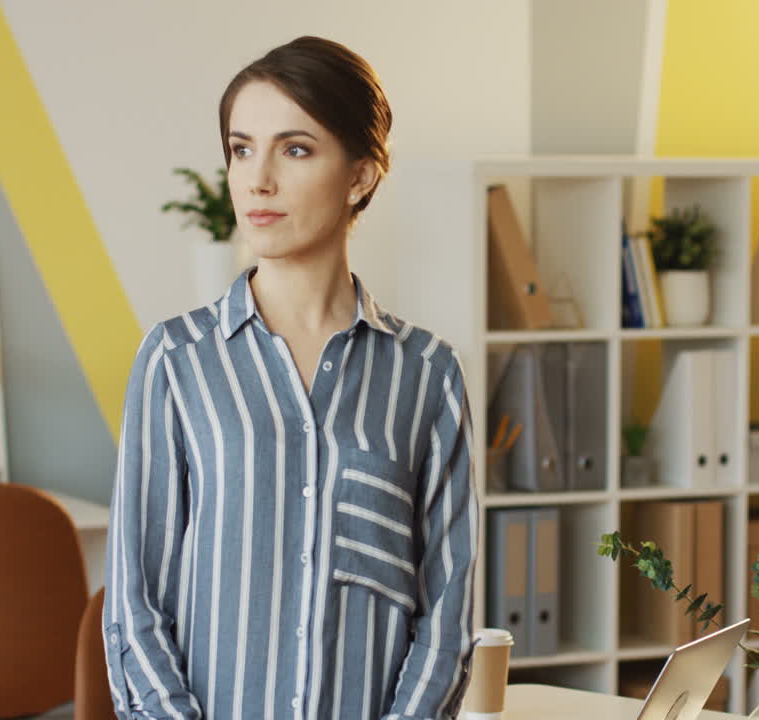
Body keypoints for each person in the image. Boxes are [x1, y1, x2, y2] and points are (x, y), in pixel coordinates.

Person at [102, 35, 478, 720]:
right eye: (242, 149)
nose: (257, 179)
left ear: (360, 176)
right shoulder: (176, 361)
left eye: (294, 149)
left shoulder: (427, 376)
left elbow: (447, 619)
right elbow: (135, 606)